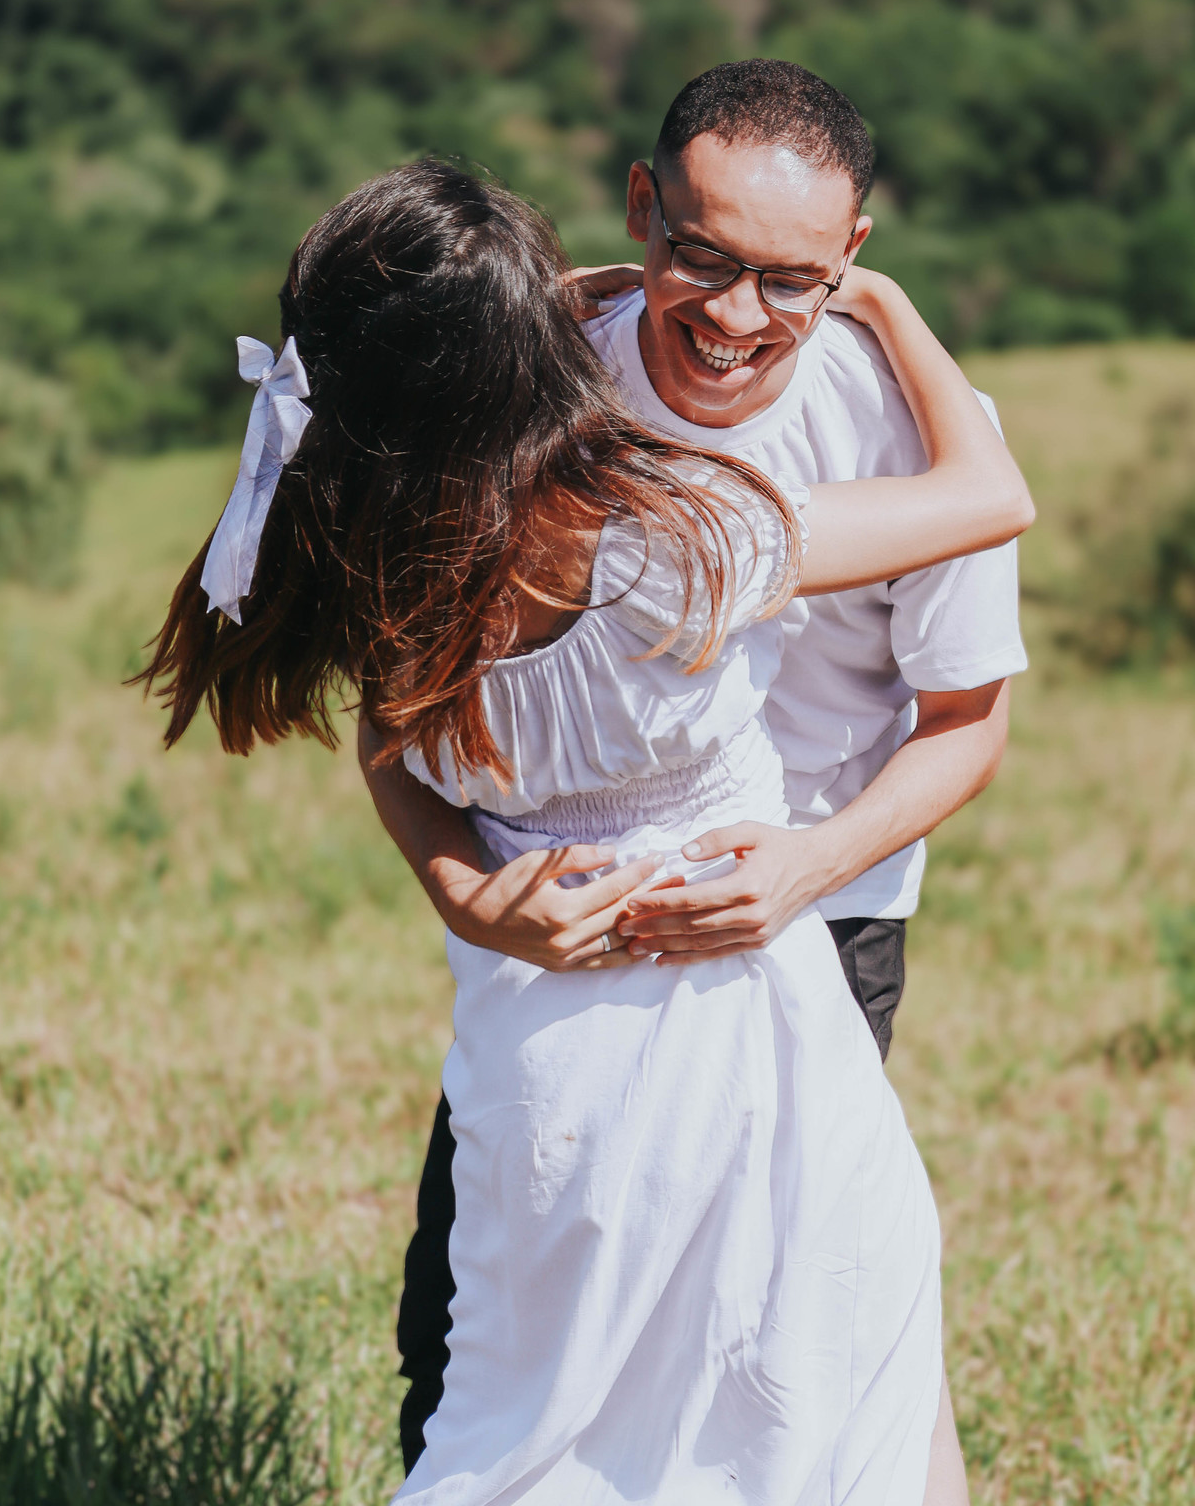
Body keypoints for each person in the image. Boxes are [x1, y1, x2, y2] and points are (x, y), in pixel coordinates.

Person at [141, 153, 1031, 1504]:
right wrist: (884, 303)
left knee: (520, 1413)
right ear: (530, 358)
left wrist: (464, 889)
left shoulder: (377, 553)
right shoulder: (683, 537)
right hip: (735, 1028)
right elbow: (992, 496)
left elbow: (390, 741)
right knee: (821, 1393)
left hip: (533, 1043)